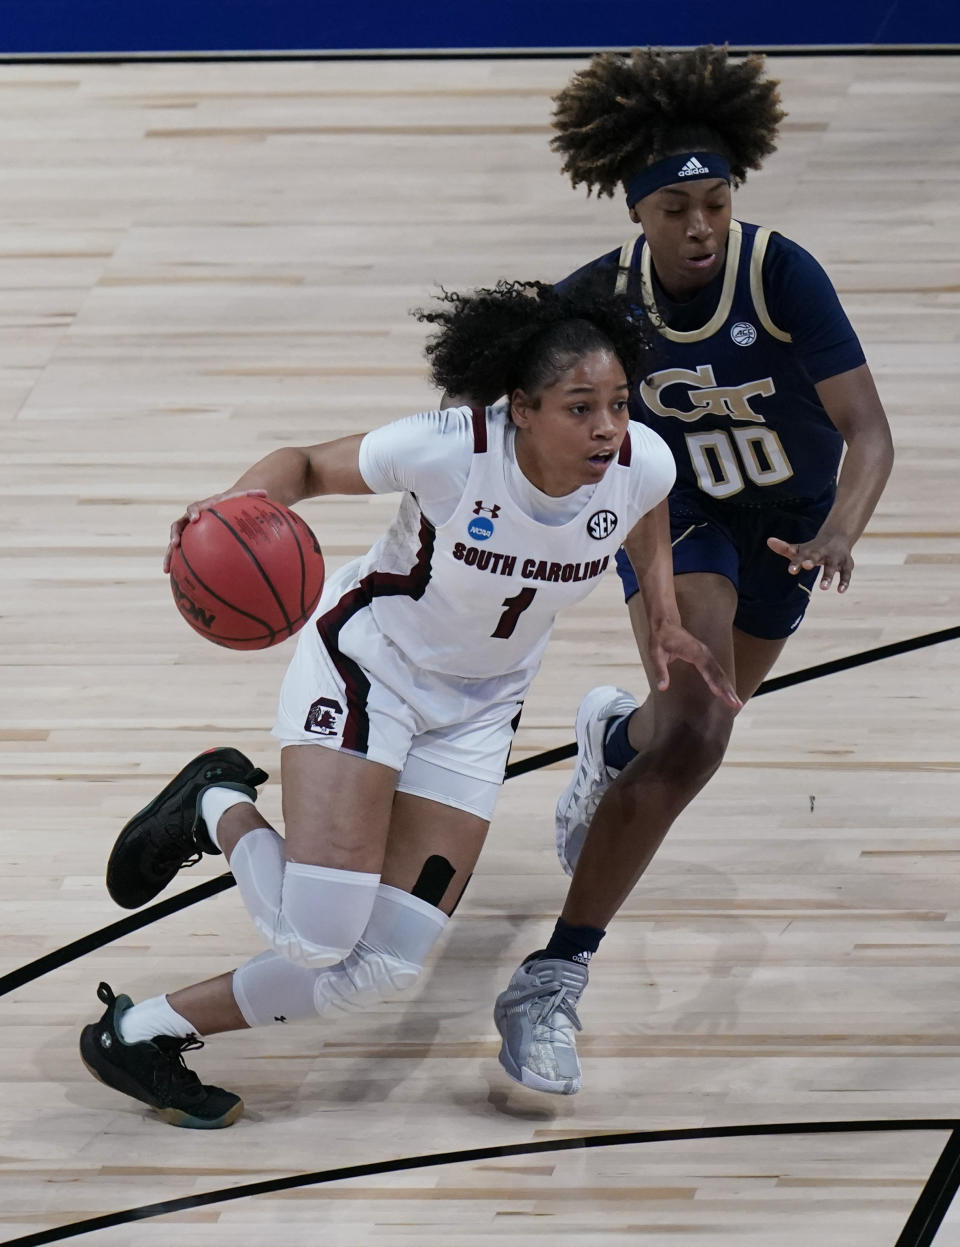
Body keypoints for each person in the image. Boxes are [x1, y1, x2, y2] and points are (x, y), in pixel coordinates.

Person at [78, 279, 741, 1127]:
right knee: (317, 935)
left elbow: (644, 507)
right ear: (523, 408)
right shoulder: (450, 449)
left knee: (383, 964)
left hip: (478, 711)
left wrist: (664, 615)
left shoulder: (639, 459)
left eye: (617, 402)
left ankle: (139, 1033)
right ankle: (215, 804)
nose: (608, 426)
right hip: (369, 671)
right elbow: (307, 463)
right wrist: (236, 506)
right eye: (581, 408)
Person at [492, 46, 894, 1094]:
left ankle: (607, 736)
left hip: (793, 527)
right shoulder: (596, 304)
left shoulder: (781, 273)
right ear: (638, 213)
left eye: (715, 202)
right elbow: (511, 417)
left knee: (677, 733)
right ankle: (552, 976)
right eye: (677, 209)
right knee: (699, 735)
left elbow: (870, 433)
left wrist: (842, 531)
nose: (702, 226)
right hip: (683, 520)